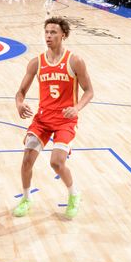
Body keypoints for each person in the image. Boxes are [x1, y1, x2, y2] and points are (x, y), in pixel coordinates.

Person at [13, 17, 94, 219]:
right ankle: (25, 198)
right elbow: (20, 92)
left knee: (56, 162)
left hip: (65, 120)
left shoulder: (75, 61)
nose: (48, 36)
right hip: (42, 119)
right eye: (47, 32)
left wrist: (76, 108)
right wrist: (20, 104)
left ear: (63, 35)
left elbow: (89, 91)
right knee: (26, 161)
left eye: (53, 32)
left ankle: (74, 194)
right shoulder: (36, 62)